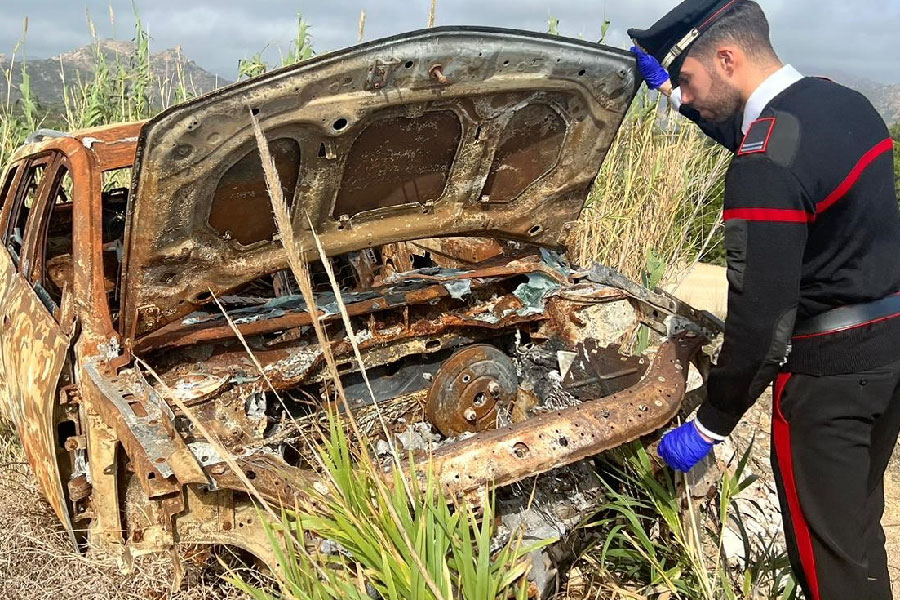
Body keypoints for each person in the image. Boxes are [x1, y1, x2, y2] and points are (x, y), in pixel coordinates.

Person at [627, 1, 900, 598]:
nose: (686, 96)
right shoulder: (842, 105)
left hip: (827, 383)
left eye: (688, 81)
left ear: (727, 57)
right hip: (887, 356)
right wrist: (670, 96)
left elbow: (762, 326)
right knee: (851, 534)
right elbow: (754, 131)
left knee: (827, 566)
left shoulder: (762, 166)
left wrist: (711, 423)